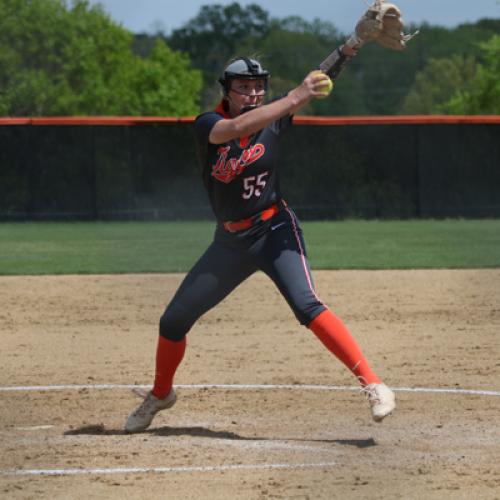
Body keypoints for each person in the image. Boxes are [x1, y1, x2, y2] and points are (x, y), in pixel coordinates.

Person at [125, 47, 396, 433]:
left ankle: (373, 384)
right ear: (227, 91)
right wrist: (294, 97)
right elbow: (236, 130)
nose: (252, 93)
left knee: (307, 305)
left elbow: (316, 77)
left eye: (258, 87)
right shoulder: (207, 124)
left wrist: (349, 46)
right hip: (230, 243)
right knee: (173, 321)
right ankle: (161, 394)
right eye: (243, 87)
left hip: (274, 230)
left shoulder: (276, 117)